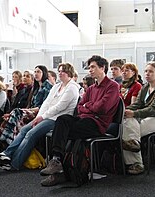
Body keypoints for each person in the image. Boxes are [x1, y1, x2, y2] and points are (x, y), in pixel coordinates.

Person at [39, 55, 120, 186]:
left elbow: (103, 108)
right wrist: (90, 107)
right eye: (89, 67)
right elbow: (80, 107)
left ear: (102, 68)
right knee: (62, 120)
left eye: (93, 67)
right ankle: (56, 160)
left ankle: (61, 172)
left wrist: (88, 106)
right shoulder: (92, 88)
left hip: (98, 124)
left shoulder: (112, 86)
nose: (90, 70)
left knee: (62, 132)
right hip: (84, 120)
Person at [0, 63, 80, 170]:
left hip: (58, 119)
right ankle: (6, 154)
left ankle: (14, 164)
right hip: (47, 117)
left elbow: (59, 107)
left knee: (31, 134)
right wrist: (39, 116)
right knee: (23, 130)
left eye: (63, 71)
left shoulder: (72, 88)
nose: (60, 73)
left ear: (69, 73)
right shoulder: (57, 86)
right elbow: (46, 103)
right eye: (59, 71)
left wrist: (42, 117)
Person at [0, 65, 52, 162]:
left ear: (44, 73)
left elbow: (43, 107)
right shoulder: (35, 87)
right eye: (35, 72)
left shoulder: (47, 86)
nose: (36, 74)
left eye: (38, 72)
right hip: (30, 111)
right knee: (3, 122)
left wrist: (26, 111)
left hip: (39, 113)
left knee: (14, 115)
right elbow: (28, 105)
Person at [122, 62, 155, 175]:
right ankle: (135, 161)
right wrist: (126, 111)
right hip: (145, 118)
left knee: (129, 131)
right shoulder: (145, 87)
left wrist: (133, 113)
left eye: (151, 71)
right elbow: (137, 104)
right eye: (146, 71)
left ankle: (136, 163)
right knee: (128, 123)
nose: (147, 74)